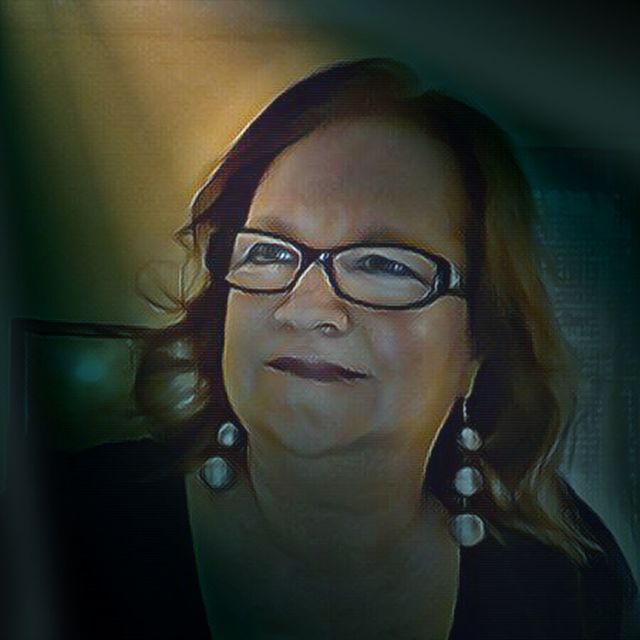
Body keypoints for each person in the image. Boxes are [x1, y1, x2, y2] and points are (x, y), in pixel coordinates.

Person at [46, 58, 639, 639]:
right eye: (269, 252)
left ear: (479, 347)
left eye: (385, 264)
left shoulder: (570, 588)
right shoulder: (60, 523)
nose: (306, 309)